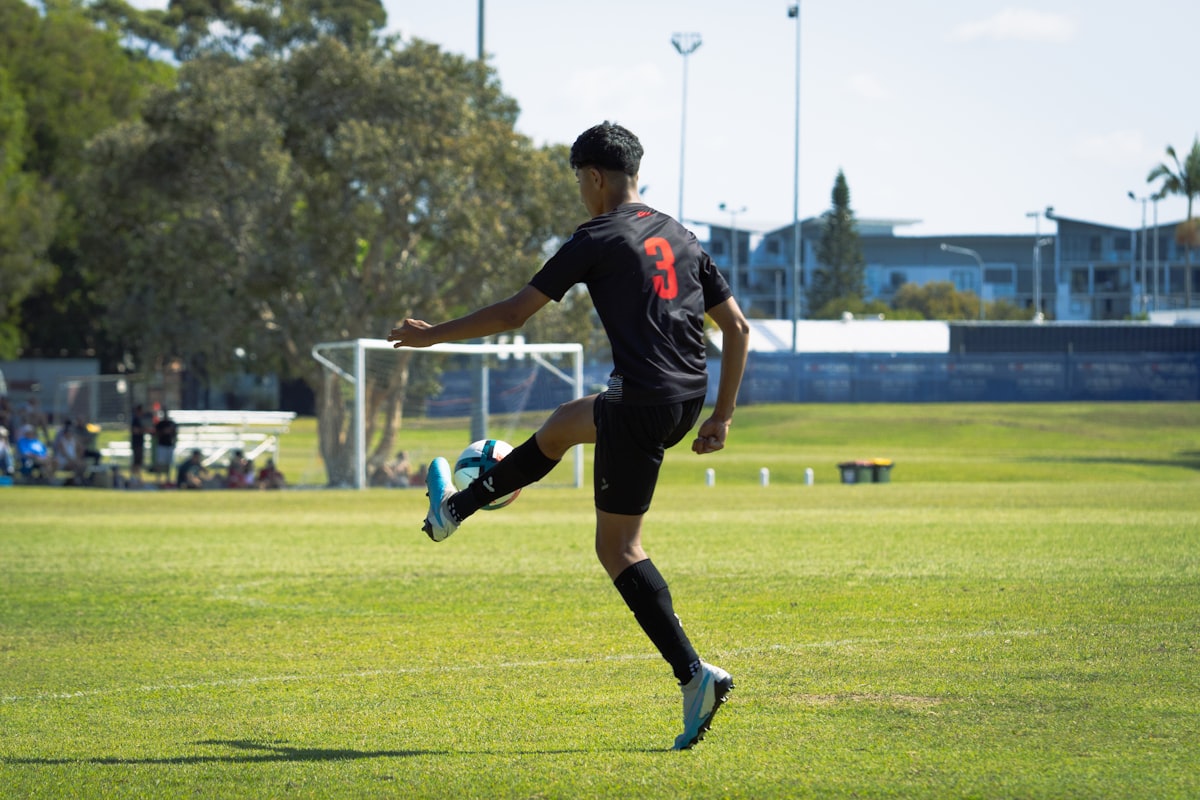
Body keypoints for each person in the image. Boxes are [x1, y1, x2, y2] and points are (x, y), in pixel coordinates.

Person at [388, 122, 751, 751]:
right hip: (684, 398)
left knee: (620, 549)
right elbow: (738, 329)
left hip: (642, 402)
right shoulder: (684, 236)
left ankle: (695, 676)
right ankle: (453, 512)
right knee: (562, 425)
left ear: (594, 177)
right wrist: (721, 417)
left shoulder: (597, 235)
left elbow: (512, 313)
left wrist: (431, 335)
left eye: (578, 182)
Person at [153, 409, 178, 484]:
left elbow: (175, 434)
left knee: (168, 464)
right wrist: (163, 432)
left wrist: (174, 443)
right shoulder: (160, 424)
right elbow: (156, 434)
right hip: (161, 445)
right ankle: (158, 479)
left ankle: (168, 479)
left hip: (169, 445)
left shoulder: (171, 424)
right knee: (160, 463)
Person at [130, 404, 148, 487]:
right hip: (136, 443)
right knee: (136, 462)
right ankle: (134, 478)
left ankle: (137, 478)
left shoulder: (140, 419)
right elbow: (135, 430)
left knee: (139, 462)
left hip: (140, 443)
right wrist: (143, 430)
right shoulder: (135, 419)